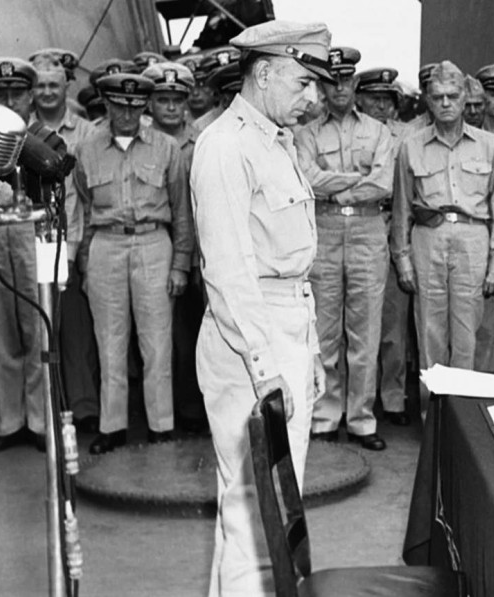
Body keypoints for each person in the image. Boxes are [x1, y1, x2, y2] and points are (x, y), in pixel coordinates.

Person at [191, 20, 331, 596]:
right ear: (265, 73)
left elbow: (294, 265)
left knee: (269, 502)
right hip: (248, 339)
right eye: (303, 83)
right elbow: (229, 272)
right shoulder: (225, 146)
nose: (313, 98)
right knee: (253, 507)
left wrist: (310, 349)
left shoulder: (276, 140)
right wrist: (265, 367)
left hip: (285, 327)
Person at [74, 73, 192, 454]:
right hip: (106, 243)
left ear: (144, 106)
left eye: (135, 106)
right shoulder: (87, 149)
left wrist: (180, 264)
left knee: (156, 341)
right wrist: (86, 262)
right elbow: (84, 209)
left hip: (153, 241)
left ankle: (161, 426)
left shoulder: (166, 147)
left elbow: (182, 210)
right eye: (119, 106)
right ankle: (113, 426)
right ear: (106, 105)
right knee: (109, 341)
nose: (127, 114)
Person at [295, 46, 394, 450]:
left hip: (368, 228)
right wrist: (354, 180)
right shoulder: (305, 133)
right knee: (324, 328)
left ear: (355, 83)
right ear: (322, 86)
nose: (339, 87)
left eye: (346, 80)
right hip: (324, 228)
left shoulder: (379, 131)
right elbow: (306, 178)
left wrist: (332, 185)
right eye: (331, 80)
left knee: (365, 331)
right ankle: (325, 415)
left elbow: (382, 183)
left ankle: (361, 419)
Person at [392, 61, 494, 384]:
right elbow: (402, 208)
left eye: (453, 96)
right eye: (437, 97)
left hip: (473, 238)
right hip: (427, 238)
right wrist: (402, 261)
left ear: (464, 99)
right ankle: (432, 408)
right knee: (429, 330)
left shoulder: (491, 146)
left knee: (467, 332)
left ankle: (461, 408)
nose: (445, 103)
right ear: (428, 101)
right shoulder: (411, 146)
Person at [0, 57, 66, 453]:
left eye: (16, 92)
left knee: (37, 329)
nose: (9, 100)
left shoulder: (44, 140)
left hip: (33, 234)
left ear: (30, 96)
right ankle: (6, 423)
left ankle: (39, 420)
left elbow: (61, 192)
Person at [27, 53, 102, 433]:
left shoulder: (86, 132)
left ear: (66, 87)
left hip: (71, 243)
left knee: (76, 334)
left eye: (53, 85)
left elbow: (87, 196)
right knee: (41, 332)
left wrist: (78, 250)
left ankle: (84, 410)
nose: (46, 92)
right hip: (32, 244)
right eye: (40, 85)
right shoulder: (23, 130)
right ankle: (49, 413)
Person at [144, 61, 210, 436]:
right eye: (162, 99)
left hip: (202, 250)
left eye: (178, 100)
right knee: (161, 339)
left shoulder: (204, 139)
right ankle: (166, 413)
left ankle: (194, 409)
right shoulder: (143, 141)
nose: (171, 107)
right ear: (150, 103)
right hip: (160, 248)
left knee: (196, 336)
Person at [353, 66, 412, 427]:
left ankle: (393, 397)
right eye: (374, 98)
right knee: (358, 324)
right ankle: (358, 401)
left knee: (394, 326)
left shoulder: (406, 136)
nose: (381, 106)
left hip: (398, 226)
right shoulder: (354, 132)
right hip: (363, 223)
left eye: (387, 100)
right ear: (360, 99)